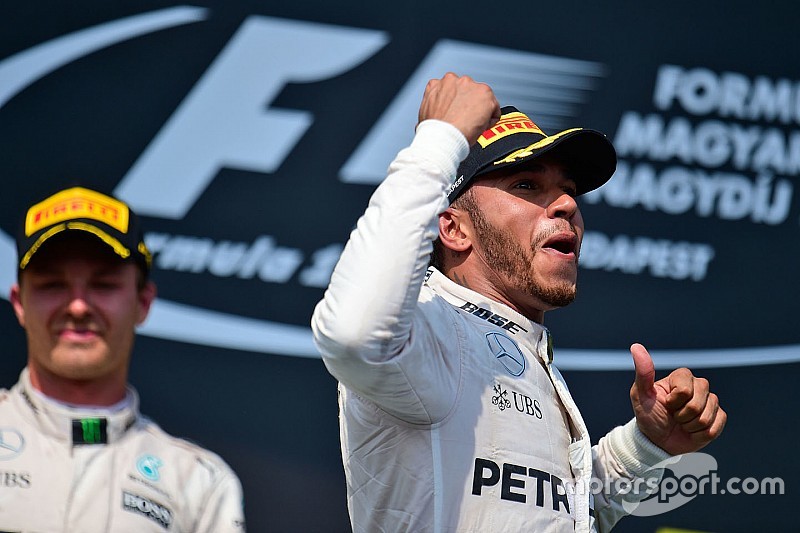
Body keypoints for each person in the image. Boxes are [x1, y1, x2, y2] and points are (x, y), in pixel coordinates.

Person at [311, 73, 726, 532]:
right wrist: (440, 139)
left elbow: (549, 512)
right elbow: (354, 333)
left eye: (568, 188)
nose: (567, 203)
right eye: (527, 185)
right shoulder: (431, 327)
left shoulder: (516, 345)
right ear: (453, 229)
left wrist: (646, 444)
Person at [1, 186, 246, 532]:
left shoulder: (198, 483)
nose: (78, 306)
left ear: (143, 303)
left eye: (103, 285)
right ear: (19, 302)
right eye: (53, 284)